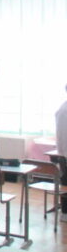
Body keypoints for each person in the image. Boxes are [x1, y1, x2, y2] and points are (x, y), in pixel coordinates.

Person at [55, 84, 67, 222]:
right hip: (65, 155)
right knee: (66, 184)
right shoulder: (63, 111)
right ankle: (65, 212)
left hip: (63, 153)